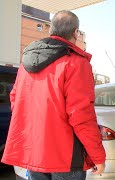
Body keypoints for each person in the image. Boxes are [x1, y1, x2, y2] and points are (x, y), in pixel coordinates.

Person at [1, 10, 106, 180]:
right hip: (65, 159)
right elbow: (81, 115)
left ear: (51, 29)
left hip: (34, 152)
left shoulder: (25, 64)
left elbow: (16, 101)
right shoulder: (76, 62)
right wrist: (98, 156)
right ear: (75, 33)